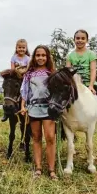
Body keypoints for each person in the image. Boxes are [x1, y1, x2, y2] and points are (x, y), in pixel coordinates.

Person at [66, 29, 97, 143]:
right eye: (77, 38)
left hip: (89, 83)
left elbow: (93, 70)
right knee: (62, 99)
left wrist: (91, 86)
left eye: (82, 38)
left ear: (87, 40)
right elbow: (68, 72)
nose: (80, 40)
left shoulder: (91, 54)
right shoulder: (70, 55)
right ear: (74, 40)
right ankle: (64, 125)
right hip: (75, 84)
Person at [18, 45, 58, 180]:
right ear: (34, 57)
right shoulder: (29, 74)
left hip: (48, 108)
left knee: (50, 137)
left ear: (47, 57)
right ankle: (38, 168)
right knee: (36, 137)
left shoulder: (51, 73)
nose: (41, 58)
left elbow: (57, 92)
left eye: (43, 55)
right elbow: (25, 91)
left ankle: (52, 170)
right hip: (34, 108)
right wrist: (23, 106)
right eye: (38, 55)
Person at [1, 39, 30, 122]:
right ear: (16, 48)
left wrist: (23, 75)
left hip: (25, 77)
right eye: (19, 47)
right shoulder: (14, 57)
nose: (21, 49)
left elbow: (28, 69)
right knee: (9, 88)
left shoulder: (28, 59)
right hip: (16, 77)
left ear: (26, 48)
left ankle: (27, 107)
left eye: (23, 47)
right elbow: (12, 69)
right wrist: (15, 75)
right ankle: (6, 112)